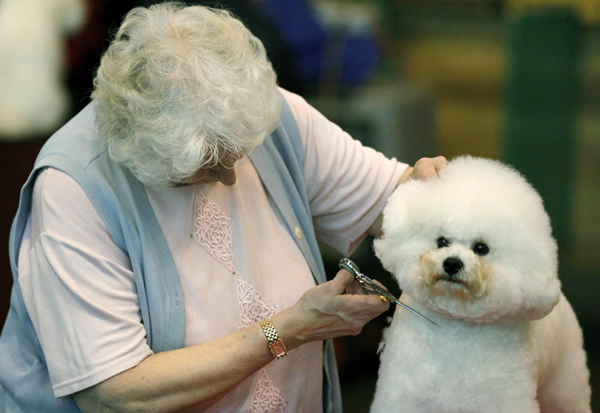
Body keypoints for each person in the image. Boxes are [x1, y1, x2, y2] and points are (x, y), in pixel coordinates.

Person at [0, 3, 447, 412]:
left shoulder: (259, 113)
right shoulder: (74, 188)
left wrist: (430, 196)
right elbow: (116, 393)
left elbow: (388, 205)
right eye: (209, 165)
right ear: (145, 151)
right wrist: (286, 331)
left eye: (240, 154)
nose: (231, 177)